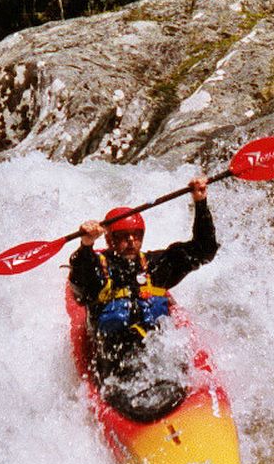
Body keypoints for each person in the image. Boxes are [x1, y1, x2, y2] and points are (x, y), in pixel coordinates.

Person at [68, 176, 217, 419]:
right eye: (123, 236)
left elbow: (204, 250)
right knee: (134, 390)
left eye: (136, 235)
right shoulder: (99, 269)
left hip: (157, 356)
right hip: (116, 367)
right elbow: (79, 284)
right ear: (109, 240)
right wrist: (85, 245)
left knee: (170, 372)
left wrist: (200, 203)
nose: (130, 242)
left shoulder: (157, 267)